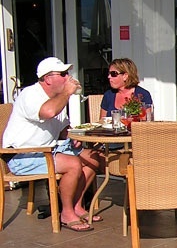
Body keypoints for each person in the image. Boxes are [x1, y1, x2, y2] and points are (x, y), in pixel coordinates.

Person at [3, 57, 103, 231]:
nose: (68, 78)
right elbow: (48, 112)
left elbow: (63, 127)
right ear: (47, 79)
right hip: (22, 155)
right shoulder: (30, 94)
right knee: (73, 164)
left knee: (93, 158)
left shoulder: (57, 98)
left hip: (48, 149)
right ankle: (66, 213)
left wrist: (72, 136)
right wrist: (66, 93)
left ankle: (77, 206)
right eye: (63, 74)